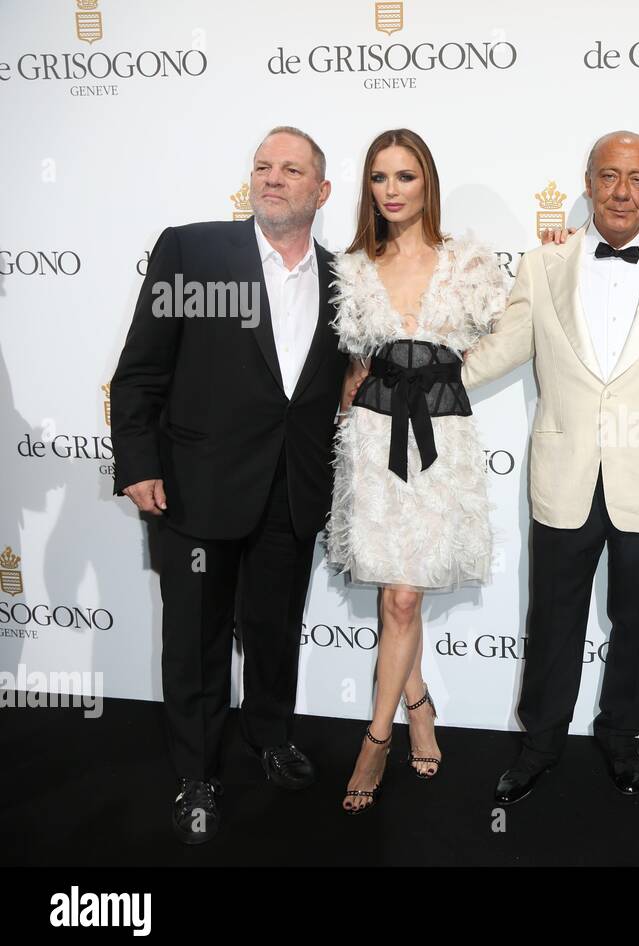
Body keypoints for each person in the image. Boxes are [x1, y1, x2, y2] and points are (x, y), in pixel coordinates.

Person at [110, 126, 347, 844]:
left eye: (292, 169)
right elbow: (142, 368)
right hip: (195, 486)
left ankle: (270, 736)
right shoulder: (195, 249)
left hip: (290, 489)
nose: (273, 178)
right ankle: (198, 776)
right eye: (263, 166)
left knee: (274, 631)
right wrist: (139, 462)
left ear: (322, 191)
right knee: (198, 641)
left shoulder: (344, 281)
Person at [462, 130, 639, 805]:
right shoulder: (543, 267)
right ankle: (540, 744)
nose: (623, 191)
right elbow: (504, 348)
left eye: (638, 177)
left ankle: (622, 736)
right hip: (566, 478)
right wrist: (419, 377)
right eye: (609, 176)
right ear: (589, 182)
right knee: (554, 622)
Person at [326, 128, 507, 813]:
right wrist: (345, 403)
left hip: (440, 436)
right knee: (396, 593)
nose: (392, 190)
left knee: (403, 595)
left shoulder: (468, 263)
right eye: (379, 178)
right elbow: (347, 362)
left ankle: (376, 740)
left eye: (405, 176)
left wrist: (453, 375)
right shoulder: (350, 267)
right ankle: (417, 704)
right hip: (372, 439)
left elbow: (511, 328)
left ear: (427, 181)